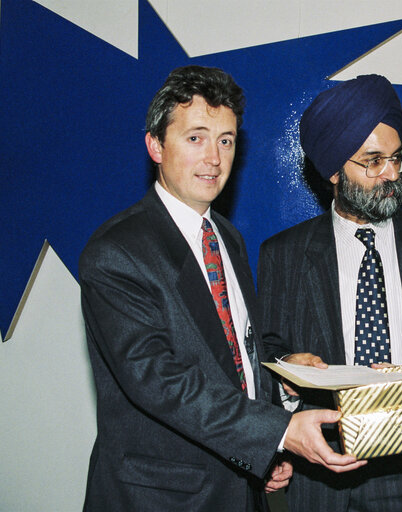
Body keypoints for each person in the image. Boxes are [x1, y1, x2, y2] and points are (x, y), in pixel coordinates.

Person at [79, 65, 364, 512]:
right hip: (160, 497)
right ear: (155, 145)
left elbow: (229, 359)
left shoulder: (226, 238)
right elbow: (159, 380)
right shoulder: (117, 251)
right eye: (195, 138)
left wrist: (283, 382)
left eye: (226, 140)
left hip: (240, 486)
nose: (214, 158)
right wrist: (279, 432)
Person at [258, 74, 402, 512]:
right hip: (329, 476)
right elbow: (267, 355)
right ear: (334, 171)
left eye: (396, 158)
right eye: (372, 161)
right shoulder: (284, 255)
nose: (390, 174)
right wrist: (287, 380)